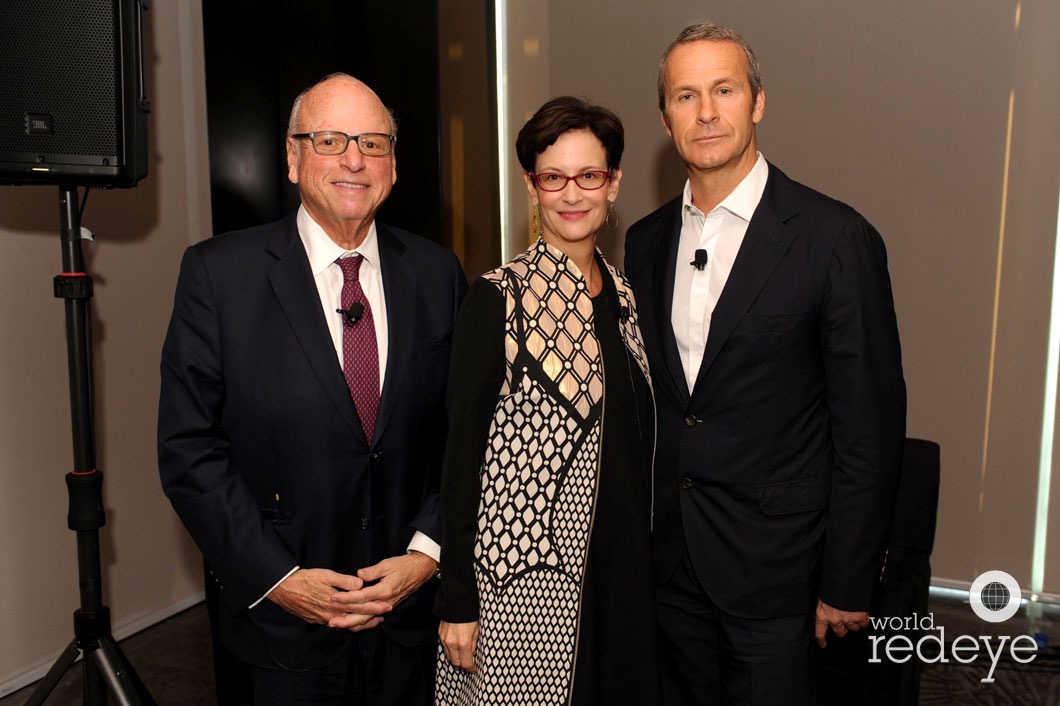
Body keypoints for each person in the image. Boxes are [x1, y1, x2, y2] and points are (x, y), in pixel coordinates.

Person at [158, 73, 467, 705]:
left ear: (394, 166)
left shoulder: (438, 274)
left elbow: (464, 435)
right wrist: (278, 578)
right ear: (294, 158)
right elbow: (189, 450)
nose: (355, 159)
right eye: (331, 140)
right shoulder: (218, 276)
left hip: (408, 628)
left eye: (374, 143)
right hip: (281, 636)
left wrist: (428, 554)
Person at [623, 22, 906, 706]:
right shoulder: (646, 240)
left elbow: (868, 426)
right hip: (671, 572)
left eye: (724, 90)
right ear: (666, 117)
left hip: (780, 577)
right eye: (686, 96)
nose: (707, 112)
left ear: (758, 102)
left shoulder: (834, 239)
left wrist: (846, 579)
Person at [434, 96, 660, 705]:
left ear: (613, 184)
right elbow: (460, 463)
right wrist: (458, 599)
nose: (572, 193)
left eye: (589, 176)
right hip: (524, 589)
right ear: (532, 187)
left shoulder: (628, 298)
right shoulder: (498, 298)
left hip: (623, 574)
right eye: (553, 177)